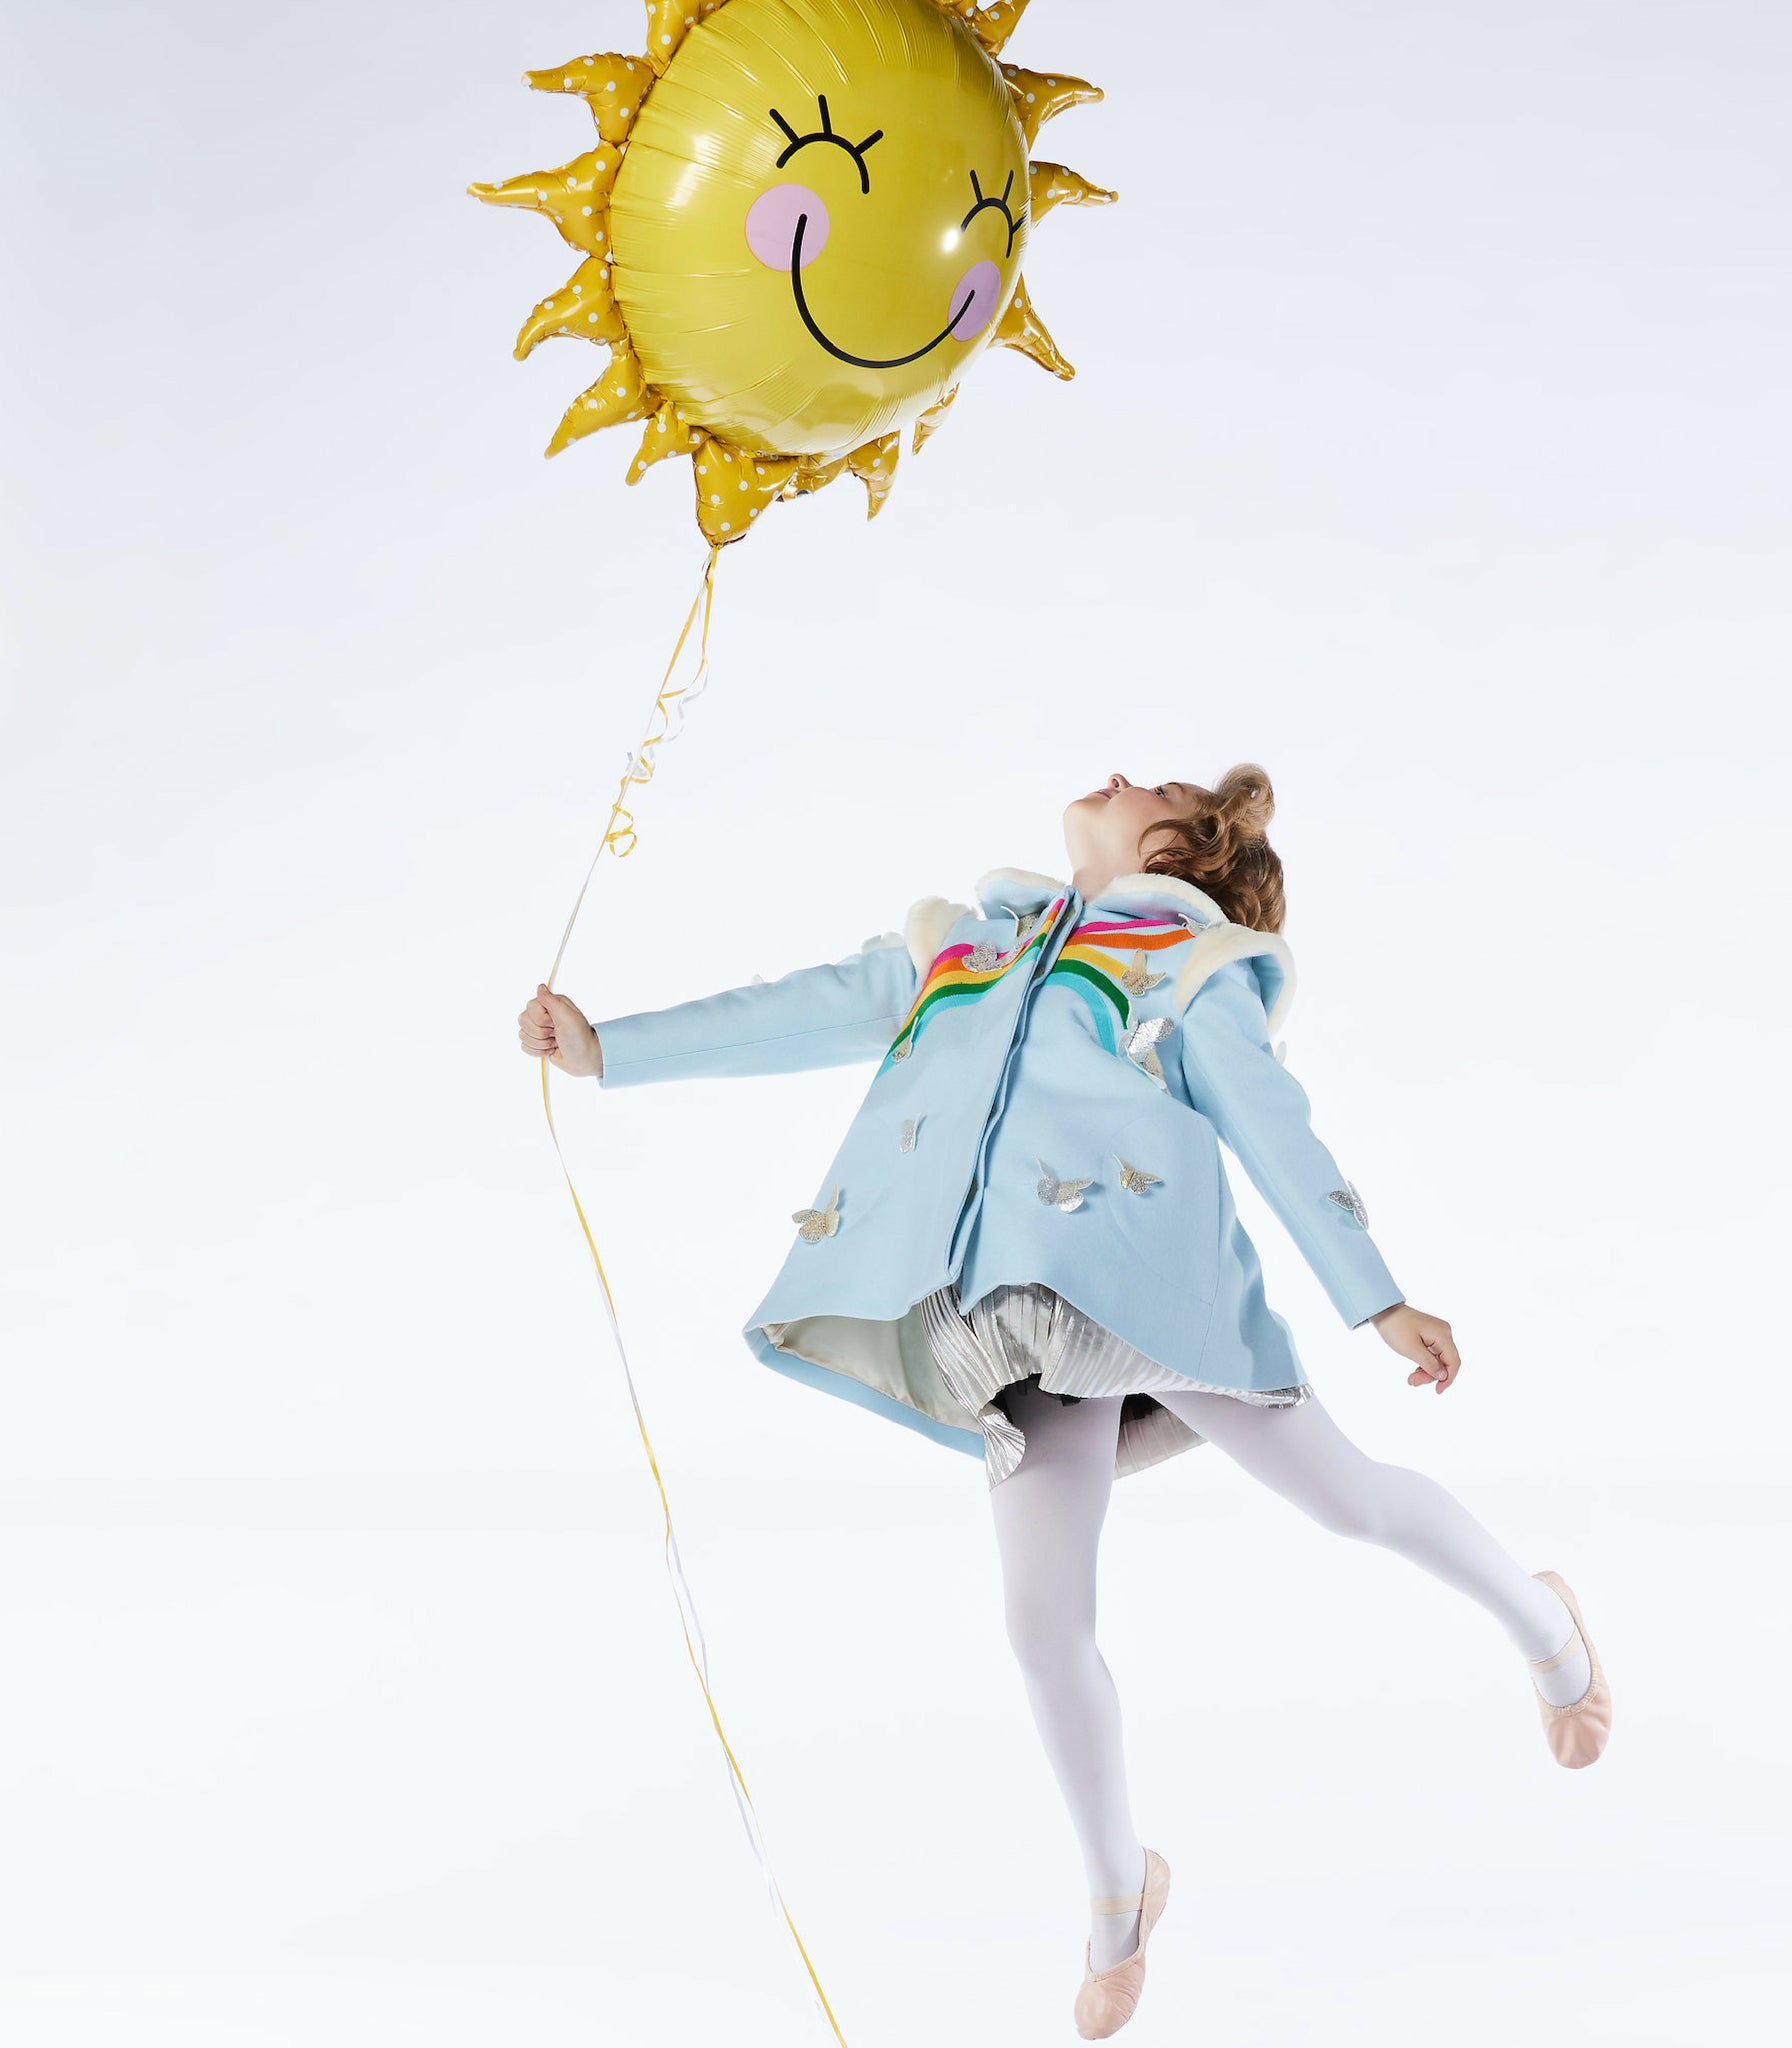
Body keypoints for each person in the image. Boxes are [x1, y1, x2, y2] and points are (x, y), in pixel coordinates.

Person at [518, 766, 1611, 2039]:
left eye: (1152, 781)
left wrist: (1376, 1299)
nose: (1115, 772)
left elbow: (1273, 1127)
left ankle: (1544, 1623)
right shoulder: (970, 946)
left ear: (1180, 845)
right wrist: (610, 1049)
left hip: (1156, 1292)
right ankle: (1116, 1891)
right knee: (1042, 1624)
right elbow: (808, 1008)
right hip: (1013, 1316)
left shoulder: (1188, 966)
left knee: (1349, 1499)